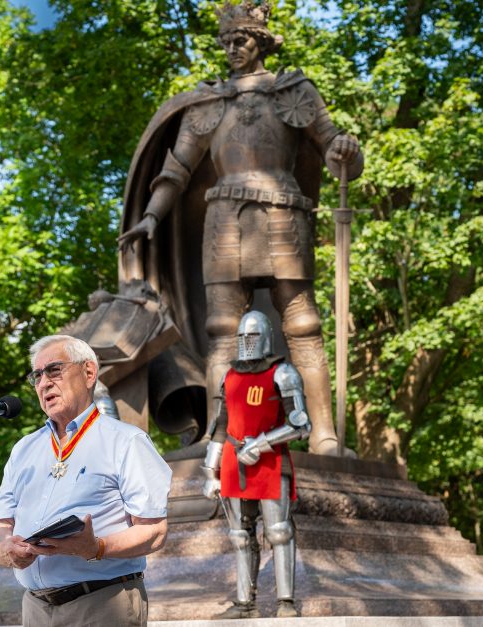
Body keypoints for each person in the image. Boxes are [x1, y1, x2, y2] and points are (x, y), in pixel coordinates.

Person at [118, 0, 364, 456]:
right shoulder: (208, 103)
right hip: (224, 220)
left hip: (283, 212)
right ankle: (221, 431)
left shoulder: (295, 91)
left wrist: (345, 151)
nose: (232, 49)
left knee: (303, 322)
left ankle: (324, 434)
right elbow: (176, 169)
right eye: (226, 42)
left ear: (262, 42)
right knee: (223, 330)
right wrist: (150, 215)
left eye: (241, 40)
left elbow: (333, 150)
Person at [0, 335, 172, 627]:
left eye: (54, 370)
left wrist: (96, 547)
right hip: (35, 608)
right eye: (36, 376)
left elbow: (155, 532)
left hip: (102, 604)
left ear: (88, 373)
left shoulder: (126, 441)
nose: (44, 383)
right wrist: (6, 551)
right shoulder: (24, 449)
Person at [202, 311, 310, 618]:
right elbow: (220, 426)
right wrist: (210, 471)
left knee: (279, 531)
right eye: (241, 337)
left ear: (264, 337)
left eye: (252, 336)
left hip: (270, 461)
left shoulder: (283, 372)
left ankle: (285, 602)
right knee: (239, 535)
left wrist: (260, 444)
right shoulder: (230, 375)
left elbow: (301, 424)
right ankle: (244, 604)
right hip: (233, 461)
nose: (246, 343)